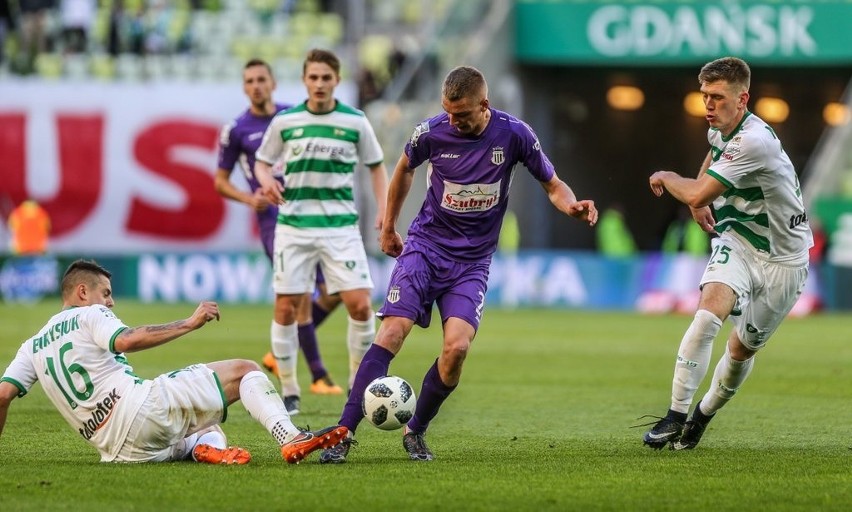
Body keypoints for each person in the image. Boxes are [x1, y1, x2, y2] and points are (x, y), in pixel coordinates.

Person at [319, 65, 598, 463]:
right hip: (425, 248)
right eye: (448, 113)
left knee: (457, 349)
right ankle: (343, 432)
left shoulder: (515, 134)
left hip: (471, 263)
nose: (453, 121)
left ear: (484, 105)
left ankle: (415, 432)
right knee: (393, 331)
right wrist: (389, 227)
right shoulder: (430, 132)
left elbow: (553, 185)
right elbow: (403, 169)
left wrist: (572, 205)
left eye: (462, 115)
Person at [0, 259, 348, 463]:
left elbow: (2, 396)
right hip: (141, 411)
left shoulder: (32, 346)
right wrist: (189, 322)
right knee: (246, 370)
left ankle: (201, 450)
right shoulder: (88, 314)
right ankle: (289, 437)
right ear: (82, 293)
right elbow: (127, 340)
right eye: (106, 293)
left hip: (120, 453)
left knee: (207, 425)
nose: (110, 302)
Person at [642, 57, 812, 450]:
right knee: (707, 314)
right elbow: (712, 157)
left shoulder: (754, 140)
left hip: (784, 262)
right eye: (704, 96)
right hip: (737, 241)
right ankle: (674, 416)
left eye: (717, 97)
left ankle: (702, 414)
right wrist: (696, 203)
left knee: (740, 349)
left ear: (743, 99)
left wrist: (671, 180)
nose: (708, 106)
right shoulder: (721, 130)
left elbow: (701, 190)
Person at [255, 49, 389, 415]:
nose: (319, 84)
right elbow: (262, 163)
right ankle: (289, 389)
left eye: (325, 78)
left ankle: (355, 385)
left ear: (337, 81)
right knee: (286, 308)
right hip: (294, 227)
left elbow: (377, 167)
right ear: (304, 81)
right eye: (313, 77)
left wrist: (384, 209)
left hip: (340, 227)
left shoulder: (355, 121)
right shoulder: (286, 121)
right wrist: (266, 182)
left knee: (360, 304)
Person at [214, 58, 344, 411]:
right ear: (245, 88)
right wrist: (248, 197)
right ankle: (317, 374)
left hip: (311, 212)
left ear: (273, 83)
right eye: (250, 81)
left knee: (335, 291)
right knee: (299, 292)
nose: (256, 86)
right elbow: (220, 181)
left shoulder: (292, 116)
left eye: (261, 80)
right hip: (275, 219)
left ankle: (279, 351)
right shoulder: (237, 130)